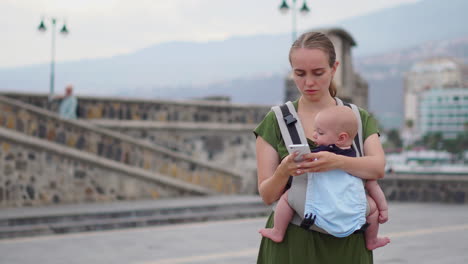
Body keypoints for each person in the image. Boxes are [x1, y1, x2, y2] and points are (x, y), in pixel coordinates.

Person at [254, 31, 386, 263]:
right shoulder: (276, 120)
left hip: (349, 245)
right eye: (299, 73)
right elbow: (267, 194)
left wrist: (338, 161)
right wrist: (284, 171)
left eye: (318, 73)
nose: (309, 82)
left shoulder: (357, 117)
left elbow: (377, 168)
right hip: (293, 244)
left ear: (334, 68)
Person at [258, 105, 390, 251]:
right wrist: (382, 209)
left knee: (287, 198)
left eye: (319, 133)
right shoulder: (358, 161)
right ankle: (371, 240)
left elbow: (304, 169)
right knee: (372, 209)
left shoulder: (319, 153)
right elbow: (373, 185)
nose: (314, 136)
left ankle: (277, 231)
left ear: (341, 138)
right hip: (352, 213)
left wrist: (290, 166)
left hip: (314, 213)